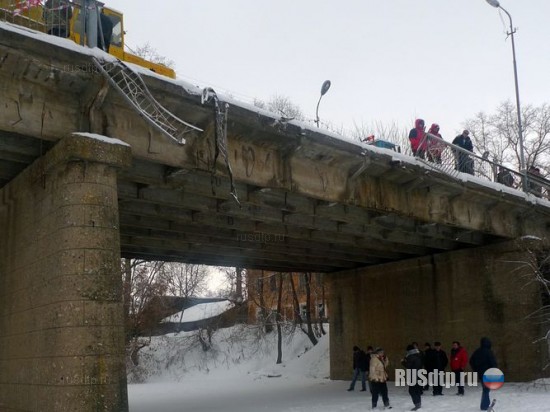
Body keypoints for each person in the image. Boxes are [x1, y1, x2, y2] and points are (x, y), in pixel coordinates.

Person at [470, 337, 498, 411]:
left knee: (485, 388)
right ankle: (484, 405)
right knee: (486, 389)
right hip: (488, 373)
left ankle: (485, 404)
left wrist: (476, 369)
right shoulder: (489, 352)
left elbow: (471, 361)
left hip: (480, 373)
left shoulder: (477, 351)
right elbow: (493, 362)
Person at [403, 344, 423, 411]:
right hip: (419, 374)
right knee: (417, 390)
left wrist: (403, 362)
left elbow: (408, 366)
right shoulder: (418, 354)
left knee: (412, 391)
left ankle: (417, 405)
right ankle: (419, 403)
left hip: (413, 375)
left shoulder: (410, 356)